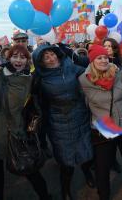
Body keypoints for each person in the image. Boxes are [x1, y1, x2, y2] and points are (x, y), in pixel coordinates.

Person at [0, 45, 50, 200]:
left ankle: (45, 196)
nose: (18, 60)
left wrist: (31, 130)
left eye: (22, 57)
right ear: (9, 57)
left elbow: (36, 108)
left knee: (30, 171)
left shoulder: (31, 79)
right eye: (15, 56)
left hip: (18, 132)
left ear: (27, 60)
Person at [32, 44, 94, 200]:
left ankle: (87, 173)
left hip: (80, 116)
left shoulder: (71, 67)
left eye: (52, 54)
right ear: (41, 62)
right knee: (66, 162)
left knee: (85, 152)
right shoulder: (39, 77)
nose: (51, 59)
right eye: (46, 57)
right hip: (57, 122)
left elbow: (91, 71)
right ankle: (65, 190)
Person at [79, 45, 122, 200]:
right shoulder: (83, 80)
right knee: (102, 167)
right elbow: (83, 104)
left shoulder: (118, 73)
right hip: (104, 128)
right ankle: (103, 195)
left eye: (105, 57)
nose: (104, 60)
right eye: (99, 58)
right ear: (92, 61)